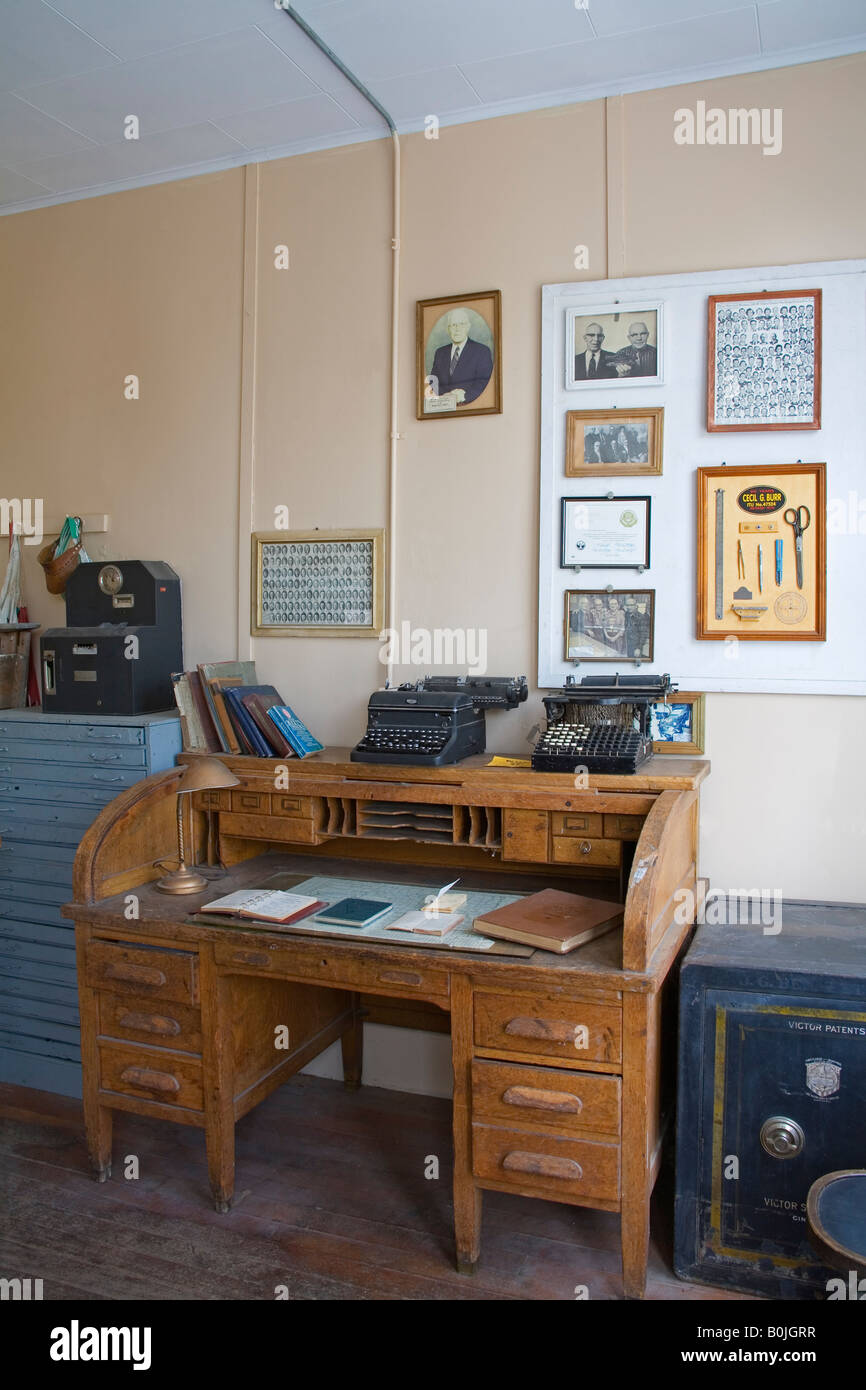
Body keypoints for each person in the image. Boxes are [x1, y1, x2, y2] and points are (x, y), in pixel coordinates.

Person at [427, 308, 493, 406]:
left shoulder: (482, 351)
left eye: (461, 324)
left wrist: (464, 396)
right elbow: (433, 382)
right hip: (444, 408)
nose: (457, 329)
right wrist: (446, 396)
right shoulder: (440, 353)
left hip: (472, 407)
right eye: (453, 325)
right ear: (448, 329)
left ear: (468, 327)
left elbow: (484, 383)